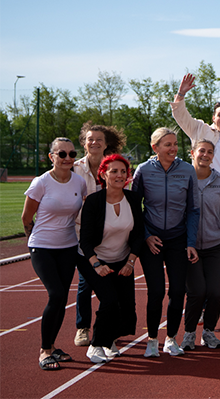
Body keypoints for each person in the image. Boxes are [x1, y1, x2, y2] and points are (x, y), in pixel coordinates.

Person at [132, 127, 200, 358]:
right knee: (156, 291)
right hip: (151, 239)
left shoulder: (187, 170)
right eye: (167, 144)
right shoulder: (143, 171)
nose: (173, 148)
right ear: (155, 148)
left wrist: (190, 242)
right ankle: (152, 339)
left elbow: (193, 210)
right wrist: (146, 236)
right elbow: (135, 208)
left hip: (178, 238)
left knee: (179, 290)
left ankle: (171, 338)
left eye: (175, 144)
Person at [23, 137, 88, 370]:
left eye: (72, 154)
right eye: (62, 154)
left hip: (68, 247)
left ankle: (51, 347)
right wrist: (33, 241)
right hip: (42, 247)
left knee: (61, 299)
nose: (67, 158)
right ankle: (43, 351)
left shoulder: (79, 183)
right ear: (52, 157)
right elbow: (26, 218)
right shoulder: (41, 183)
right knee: (56, 294)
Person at [77, 154, 144, 363]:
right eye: (114, 171)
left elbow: (139, 234)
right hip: (93, 259)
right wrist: (96, 264)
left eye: (123, 171)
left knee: (127, 308)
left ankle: (109, 340)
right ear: (103, 174)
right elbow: (85, 240)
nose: (119, 175)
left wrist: (131, 261)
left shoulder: (133, 199)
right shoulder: (94, 201)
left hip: (122, 259)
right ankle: (96, 345)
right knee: (109, 300)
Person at [181, 140, 220, 351]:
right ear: (192, 153)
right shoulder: (183, 179)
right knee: (197, 292)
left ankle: (209, 332)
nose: (205, 155)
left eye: (210, 152)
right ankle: (189, 334)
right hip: (190, 246)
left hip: (216, 244)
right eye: (201, 151)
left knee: (216, 292)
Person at [73, 122, 126, 347]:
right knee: (86, 283)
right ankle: (83, 327)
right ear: (84, 142)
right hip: (80, 235)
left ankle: (109, 328)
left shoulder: (114, 166)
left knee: (111, 285)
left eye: (99, 140)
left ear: (106, 144)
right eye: (90, 139)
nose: (94, 142)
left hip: (111, 236)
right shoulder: (74, 168)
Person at [172, 73, 220, 177]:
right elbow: (180, 116)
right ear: (213, 118)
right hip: (205, 186)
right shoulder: (200, 130)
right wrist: (181, 94)